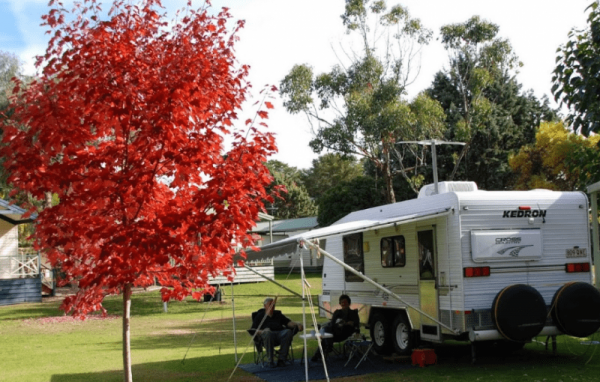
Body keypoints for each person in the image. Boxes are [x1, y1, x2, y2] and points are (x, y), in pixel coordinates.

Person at [251, 297, 303, 367]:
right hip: (267, 337)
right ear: (265, 306)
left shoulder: (278, 314)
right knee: (268, 332)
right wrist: (263, 331)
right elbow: (253, 330)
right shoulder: (259, 316)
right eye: (270, 304)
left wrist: (297, 324)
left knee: (288, 332)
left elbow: (288, 322)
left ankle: (281, 359)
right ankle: (270, 360)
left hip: (279, 334)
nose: (272, 306)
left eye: (273, 305)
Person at [311, 294, 359, 361]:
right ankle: (327, 347)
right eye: (342, 303)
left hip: (345, 333)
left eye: (345, 302)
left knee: (326, 333)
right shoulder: (337, 312)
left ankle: (320, 353)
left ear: (349, 303)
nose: (344, 304)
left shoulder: (353, 313)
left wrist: (347, 323)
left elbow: (356, 324)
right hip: (335, 333)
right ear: (340, 304)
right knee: (327, 332)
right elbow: (332, 323)